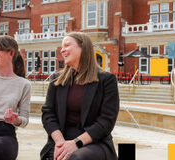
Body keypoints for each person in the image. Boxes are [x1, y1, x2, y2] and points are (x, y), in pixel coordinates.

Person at [40, 32, 119, 160]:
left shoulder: (106, 80)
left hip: (94, 141)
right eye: (62, 46)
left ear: (82, 47)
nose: (62, 50)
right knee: (56, 156)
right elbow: (48, 114)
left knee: (76, 158)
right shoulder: (56, 79)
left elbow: (106, 120)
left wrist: (76, 143)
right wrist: (60, 143)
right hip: (62, 139)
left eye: (67, 45)